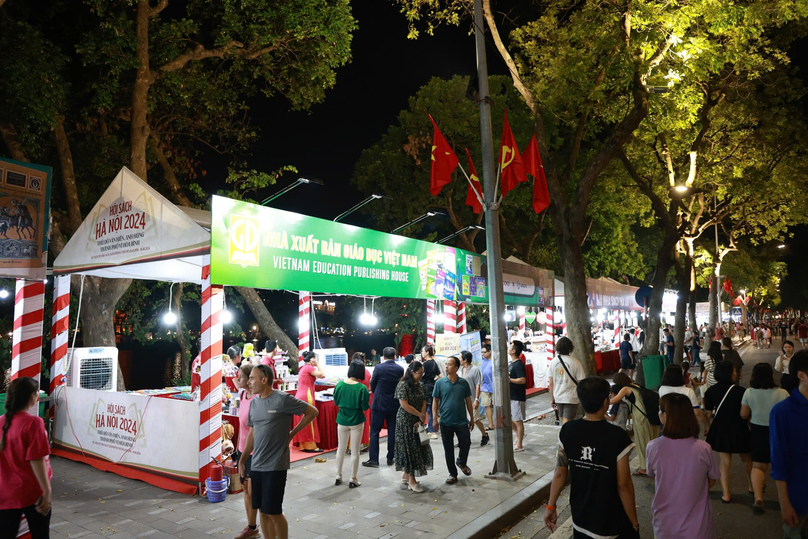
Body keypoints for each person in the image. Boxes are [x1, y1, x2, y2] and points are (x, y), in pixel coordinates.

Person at [543, 377, 639, 538]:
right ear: (606, 402)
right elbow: (624, 484)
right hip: (609, 519)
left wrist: (551, 507)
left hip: (580, 516)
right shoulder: (617, 437)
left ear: (580, 400)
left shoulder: (568, 430)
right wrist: (634, 522)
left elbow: (560, 473)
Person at [239, 365, 318, 539]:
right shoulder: (254, 402)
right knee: (262, 511)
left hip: (275, 466)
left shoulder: (283, 399)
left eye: (252, 378)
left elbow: (312, 412)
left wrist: (292, 434)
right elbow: (252, 433)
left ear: (264, 379)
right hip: (257, 463)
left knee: (273, 511)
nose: (249, 382)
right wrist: (242, 460)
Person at [646, 393, 720, 539]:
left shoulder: (653, 447)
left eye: (660, 411)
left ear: (666, 416)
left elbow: (651, 474)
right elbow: (712, 480)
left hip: (665, 524)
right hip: (698, 526)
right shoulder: (703, 448)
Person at [0, 377, 52, 539]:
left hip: (5, 492)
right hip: (32, 492)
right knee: (40, 535)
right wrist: (46, 490)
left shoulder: (1, 421)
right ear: (32, 397)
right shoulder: (34, 423)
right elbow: (36, 459)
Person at [740, 362, 789, 514]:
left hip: (757, 431)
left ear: (754, 376)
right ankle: (784, 501)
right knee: (780, 466)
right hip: (778, 432)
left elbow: (743, 414)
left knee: (758, 466)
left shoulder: (749, 392)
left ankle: (758, 498)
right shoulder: (782, 393)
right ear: (772, 376)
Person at [770, 350, 808, 537]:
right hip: (799, 498)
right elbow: (779, 460)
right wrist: (784, 503)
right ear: (802, 375)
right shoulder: (782, 412)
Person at [704, 361, 752, 503]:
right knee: (747, 458)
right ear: (729, 374)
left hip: (721, 428)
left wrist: (707, 426)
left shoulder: (710, 391)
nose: (736, 373)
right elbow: (746, 413)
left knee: (724, 462)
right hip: (739, 426)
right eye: (734, 371)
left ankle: (726, 494)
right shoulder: (741, 391)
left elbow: (708, 413)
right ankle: (753, 486)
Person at [433, 356, 474, 484]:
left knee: (466, 443)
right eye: (446, 364)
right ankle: (452, 474)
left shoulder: (463, 383)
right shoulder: (439, 383)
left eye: (449, 364)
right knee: (448, 449)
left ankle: (461, 462)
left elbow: (468, 401)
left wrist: (472, 418)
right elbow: (435, 401)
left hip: (461, 421)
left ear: (456, 368)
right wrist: (434, 418)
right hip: (445, 422)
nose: (446, 366)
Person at [393, 361, 433, 493]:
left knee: (418, 446)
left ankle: (406, 474)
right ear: (412, 372)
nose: (421, 375)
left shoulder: (420, 385)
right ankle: (412, 480)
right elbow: (404, 405)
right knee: (409, 448)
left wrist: (421, 417)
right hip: (405, 421)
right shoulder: (402, 385)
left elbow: (423, 400)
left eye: (422, 373)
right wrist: (419, 414)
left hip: (417, 420)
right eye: (419, 373)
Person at [611, 372, 659, 476]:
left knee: (642, 443)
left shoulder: (625, 389)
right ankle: (654, 465)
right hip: (648, 416)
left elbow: (614, 400)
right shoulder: (636, 385)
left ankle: (645, 468)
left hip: (640, 418)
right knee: (650, 441)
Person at [364, 347, 404, 468]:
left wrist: (377, 394)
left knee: (375, 431)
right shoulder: (400, 369)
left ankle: (374, 459)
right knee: (392, 431)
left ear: (384, 357)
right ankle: (390, 457)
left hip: (379, 403)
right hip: (394, 404)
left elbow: (373, 383)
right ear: (395, 356)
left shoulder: (379, 367)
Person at [333, 359, 370, 488]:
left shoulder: (339, 385)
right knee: (355, 451)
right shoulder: (362, 388)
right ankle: (353, 478)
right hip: (357, 421)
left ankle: (338, 475)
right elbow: (365, 407)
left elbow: (336, 402)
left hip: (342, 420)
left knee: (340, 448)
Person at [234, 364, 259, 539]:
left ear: (250, 379)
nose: (239, 379)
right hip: (242, 450)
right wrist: (237, 449)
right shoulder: (242, 395)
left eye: (242, 376)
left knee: (251, 490)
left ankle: (253, 527)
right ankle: (251, 526)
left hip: (254, 452)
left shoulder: (257, 399)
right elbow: (241, 428)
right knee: (245, 489)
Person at [658, 364, 707, 433]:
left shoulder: (662, 389)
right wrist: (707, 424)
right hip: (685, 425)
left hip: (667, 423)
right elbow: (697, 413)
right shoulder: (688, 391)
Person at [548, 337, 585, 424]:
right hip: (571, 396)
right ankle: (565, 436)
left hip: (558, 396)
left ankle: (565, 436)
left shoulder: (553, 362)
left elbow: (551, 382)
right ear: (570, 348)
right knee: (567, 421)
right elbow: (581, 382)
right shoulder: (576, 362)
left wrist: (552, 398)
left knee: (564, 420)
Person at [292, 351, 324, 452]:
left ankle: (303, 444)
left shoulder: (303, 368)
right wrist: (318, 364)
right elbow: (322, 375)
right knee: (309, 420)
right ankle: (310, 445)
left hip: (300, 395)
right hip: (307, 395)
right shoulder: (310, 368)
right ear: (312, 359)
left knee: (302, 420)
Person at [459, 351, 488, 445]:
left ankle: (484, 435)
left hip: (471, 398)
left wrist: (476, 399)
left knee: (475, 419)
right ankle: (464, 439)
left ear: (465, 359)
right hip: (461, 399)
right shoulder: (460, 369)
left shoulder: (475, 369)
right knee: (462, 420)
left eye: (460, 358)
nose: (459, 360)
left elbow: (478, 385)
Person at [508, 340, 528, 451]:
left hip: (517, 396)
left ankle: (519, 444)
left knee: (518, 420)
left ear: (514, 351)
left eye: (510, 347)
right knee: (510, 418)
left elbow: (522, 380)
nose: (508, 348)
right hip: (511, 395)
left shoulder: (519, 364)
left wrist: (510, 380)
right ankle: (519, 435)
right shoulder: (512, 363)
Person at [351, 352, 372, 450]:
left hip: (355, 401)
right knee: (365, 422)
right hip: (366, 400)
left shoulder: (354, 375)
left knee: (354, 423)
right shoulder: (367, 372)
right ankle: (366, 443)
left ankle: (353, 446)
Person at [420, 345, 442, 439]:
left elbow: (421, 377)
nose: (422, 353)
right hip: (432, 386)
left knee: (428, 408)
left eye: (423, 351)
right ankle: (432, 428)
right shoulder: (433, 362)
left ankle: (432, 430)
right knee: (432, 408)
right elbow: (440, 375)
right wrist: (434, 379)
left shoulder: (425, 364)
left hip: (426, 388)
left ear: (427, 352)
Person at [479, 343, 495, 430]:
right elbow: (482, 374)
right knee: (486, 405)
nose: (483, 354)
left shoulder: (494, 361)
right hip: (485, 386)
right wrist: (481, 385)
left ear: (490, 351)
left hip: (494, 386)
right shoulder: (484, 361)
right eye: (482, 352)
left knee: (497, 405)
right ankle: (490, 424)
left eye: (484, 352)